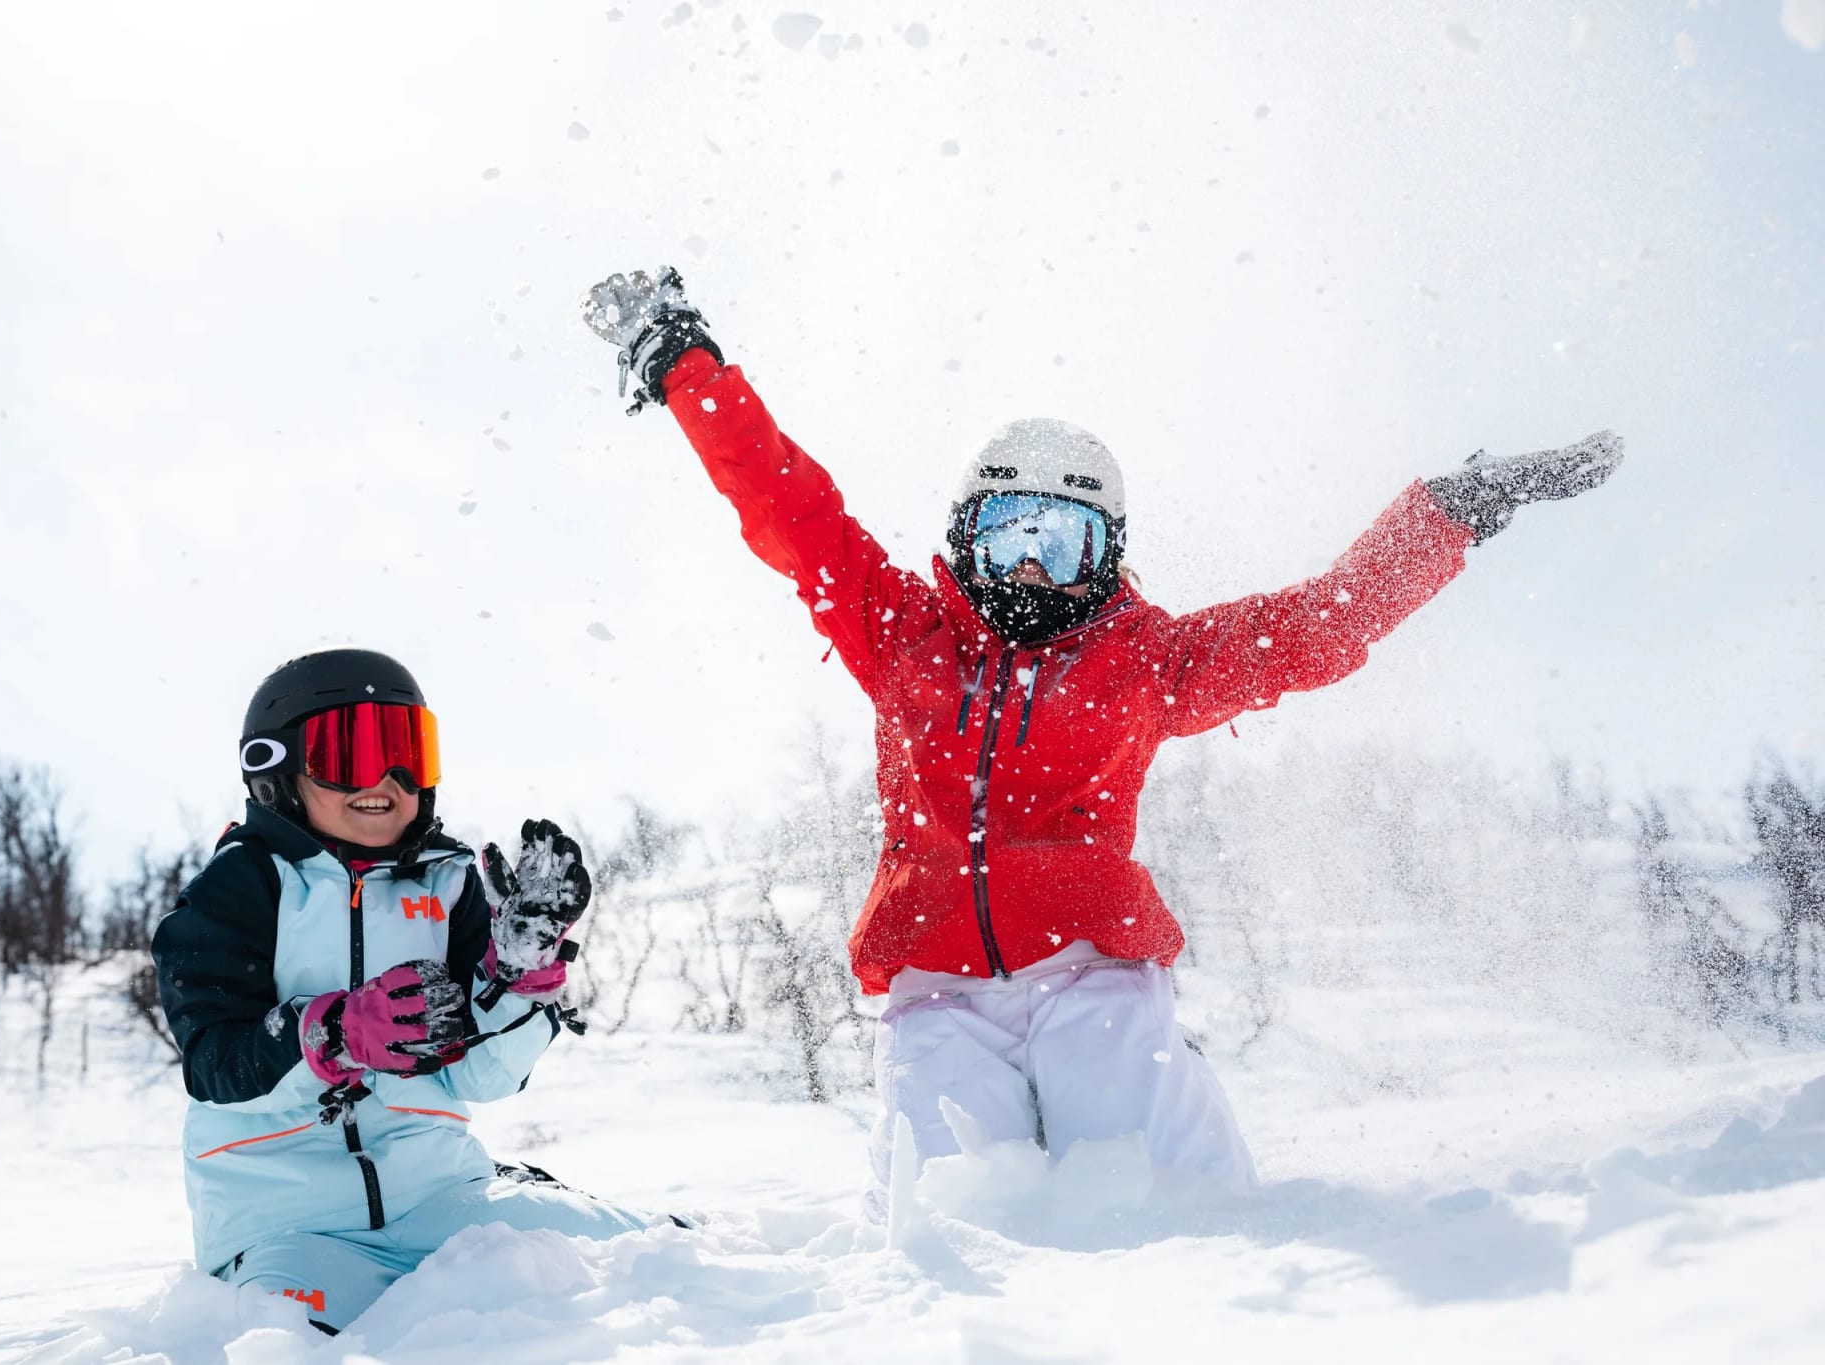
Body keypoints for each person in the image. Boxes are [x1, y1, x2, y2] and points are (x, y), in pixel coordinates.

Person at [580, 268, 1623, 1215]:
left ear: (1105, 554)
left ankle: (1211, 1271)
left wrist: (1450, 513)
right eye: (1005, 536)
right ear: (961, 542)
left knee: (1129, 1142)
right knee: (941, 1193)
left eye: (1060, 540)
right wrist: (687, 369)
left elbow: (1312, 627)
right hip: (935, 988)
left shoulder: (1143, 662)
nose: (1030, 569)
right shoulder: (898, 635)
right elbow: (787, 509)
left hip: (1090, 970)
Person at [152, 648, 661, 1334]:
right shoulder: (241, 884)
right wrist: (328, 1032)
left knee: (661, 1260)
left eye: (407, 753)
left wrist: (518, 976)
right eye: (351, 752)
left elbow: (478, 1074)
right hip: (287, 1225)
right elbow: (214, 1060)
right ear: (276, 768)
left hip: (445, 1200)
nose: (386, 779)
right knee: (293, 1347)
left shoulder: (447, 881)